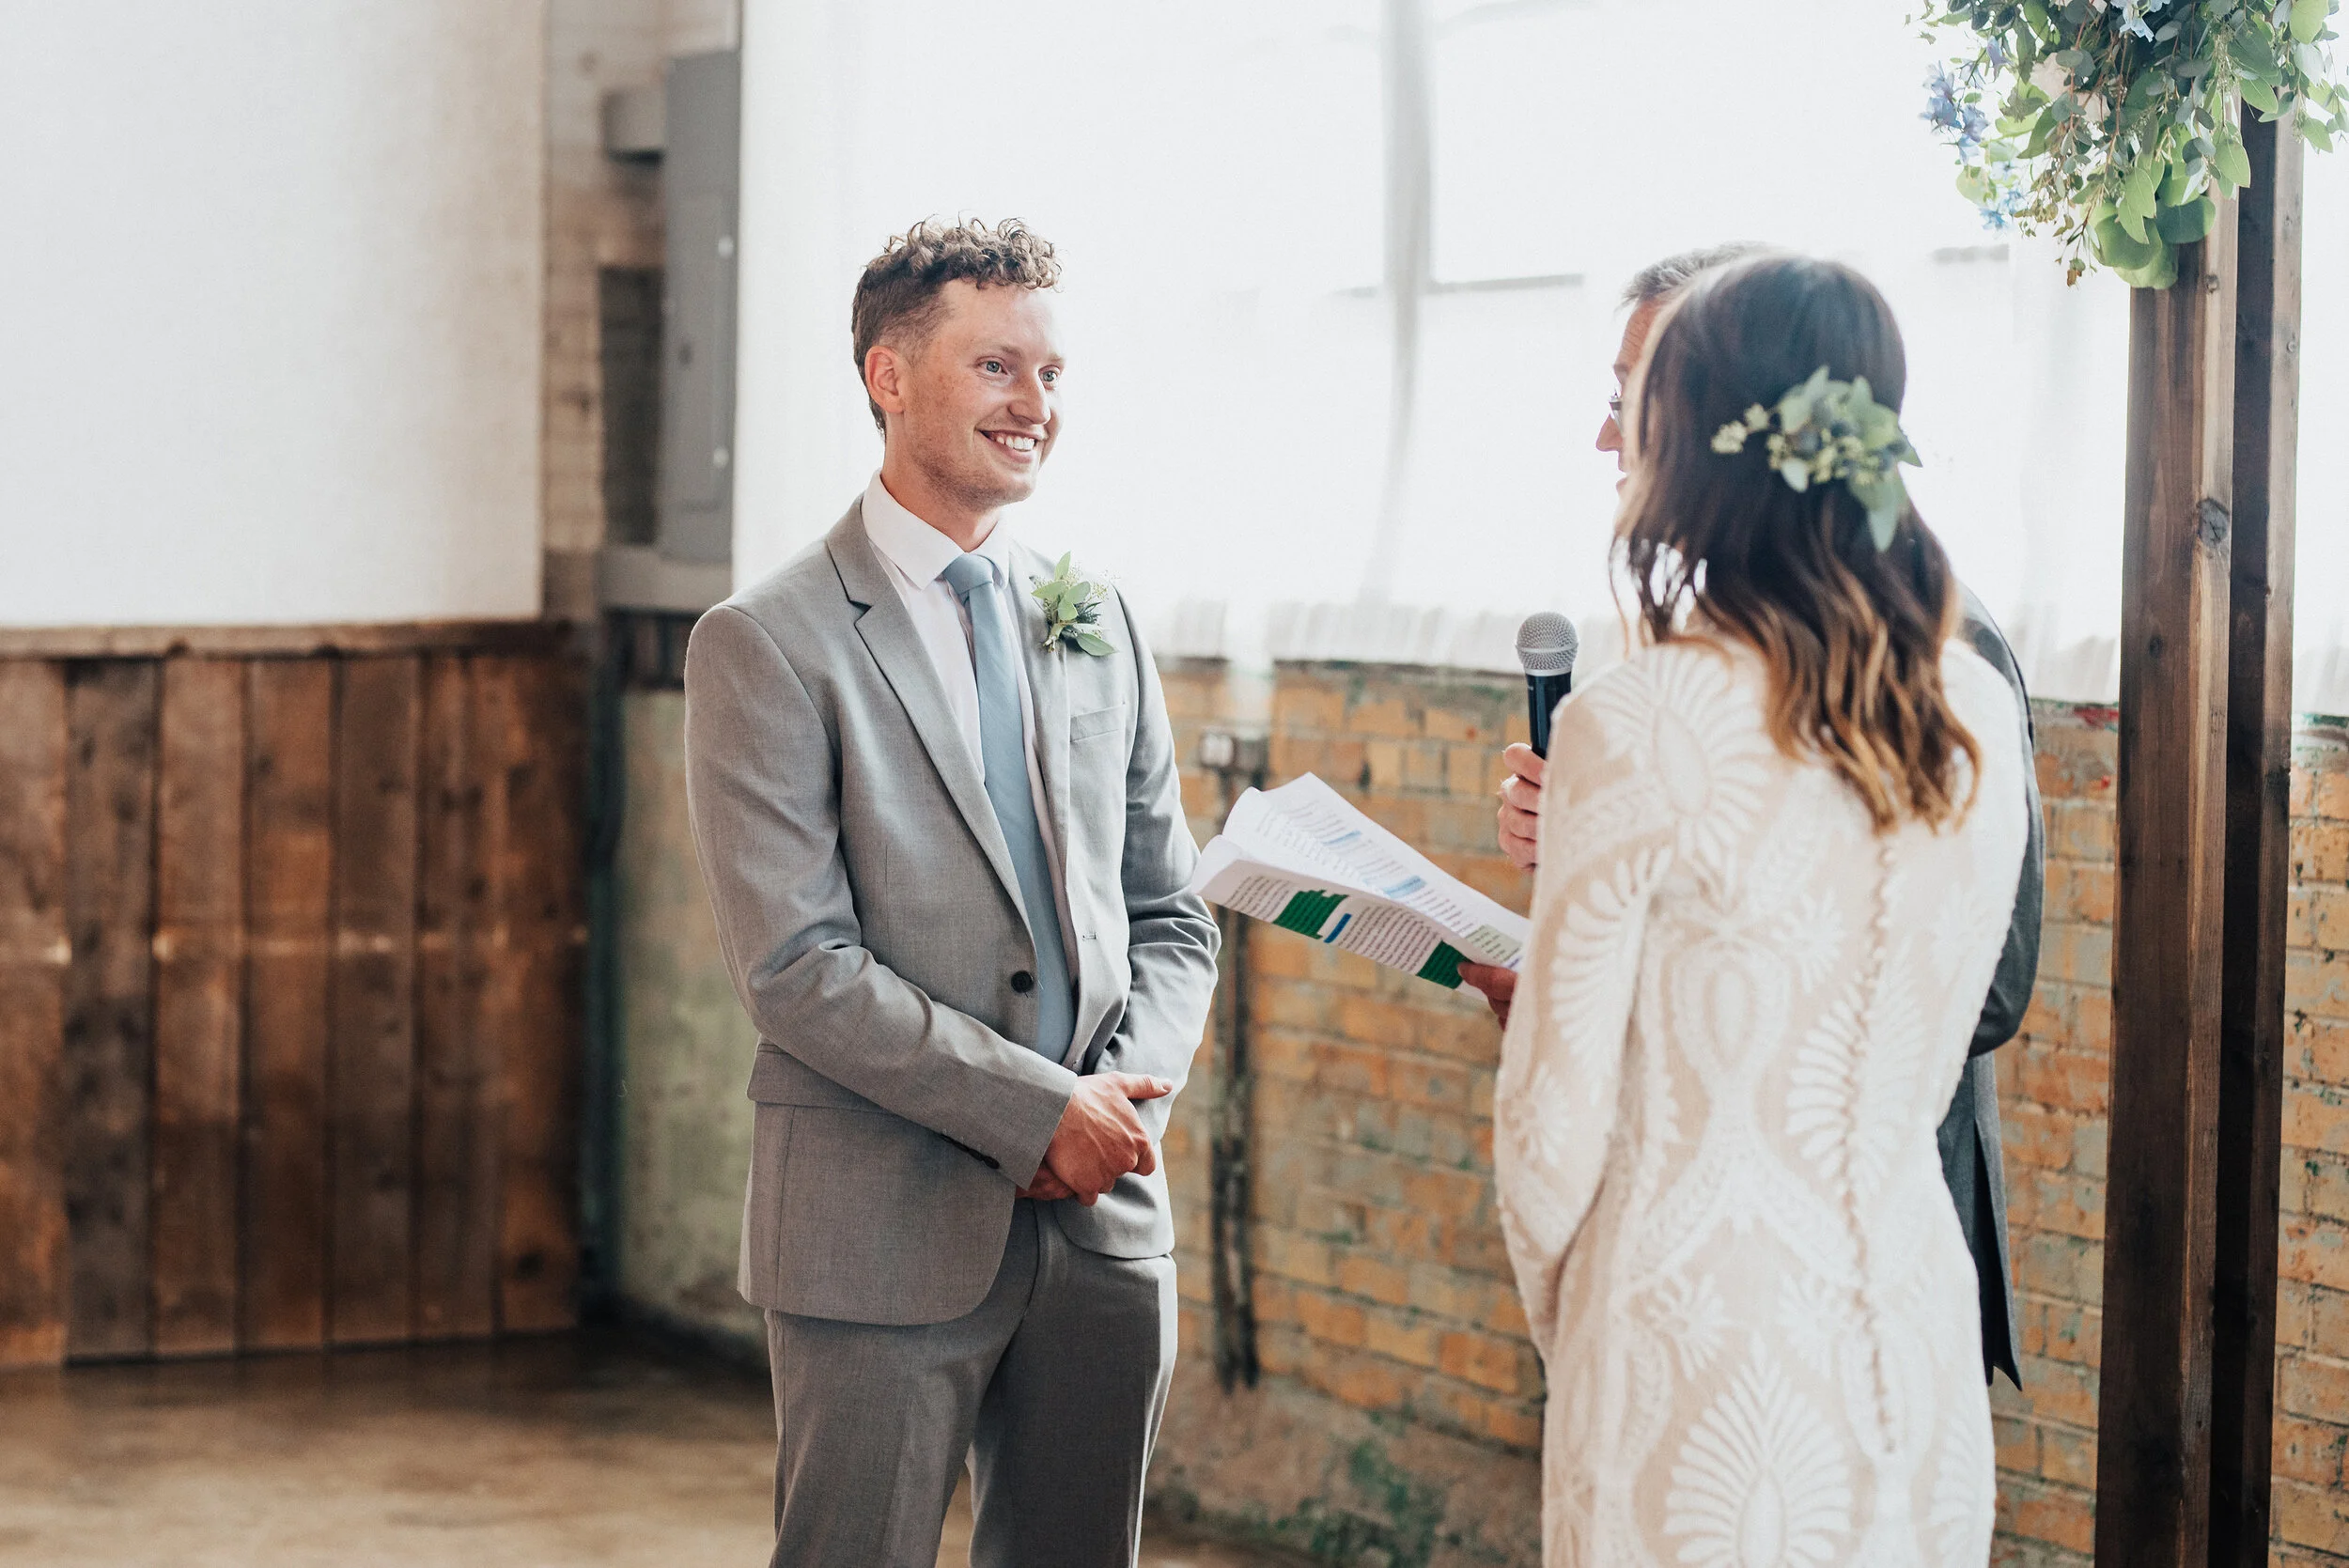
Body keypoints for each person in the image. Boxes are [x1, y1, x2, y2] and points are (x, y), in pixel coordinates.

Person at [681, 217, 1220, 1568]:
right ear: (889, 374)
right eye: (996, 367)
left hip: (1105, 1225)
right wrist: (1038, 1111)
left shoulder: (1094, 611)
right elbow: (798, 965)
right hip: (878, 1228)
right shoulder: (766, 642)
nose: (1035, 406)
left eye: (1051, 373)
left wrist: (1123, 1106)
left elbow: (1172, 914)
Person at [1487, 253, 2027, 1561]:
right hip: (1909, 1327)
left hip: (1690, 1346)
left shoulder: (1640, 716)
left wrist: (1593, 1314)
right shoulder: (1981, 712)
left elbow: (1552, 1133)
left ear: (1696, 443)